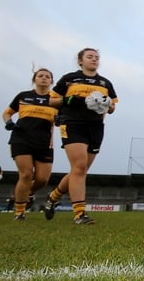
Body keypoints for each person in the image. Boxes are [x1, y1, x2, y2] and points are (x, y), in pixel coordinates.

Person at [43, 48, 117, 225]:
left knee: (80, 170)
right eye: (90, 57)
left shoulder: (105, 82)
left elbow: (113, 107)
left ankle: (53, 197)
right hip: (73, 124)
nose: (94, 60)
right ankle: (79, 214)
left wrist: (107, 104)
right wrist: (69, 100)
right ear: (80, 61)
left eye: (97, 57)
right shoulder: (69, 79)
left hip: (96, 127)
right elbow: (51, 100)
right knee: (79, 166)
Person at [2, 68, 60, 221]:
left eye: (47, 76)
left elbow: (61, 118)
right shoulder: (23, 96)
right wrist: (8, 122)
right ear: (34, 79)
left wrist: (60, 119)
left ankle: (27, 193)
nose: (44, 78)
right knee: (26, 174)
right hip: (21, 139)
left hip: (44, 142)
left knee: (42, 179)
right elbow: (7, 112)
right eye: (40, 76)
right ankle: (19, 212)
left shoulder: (55, 100)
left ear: (52, 81)